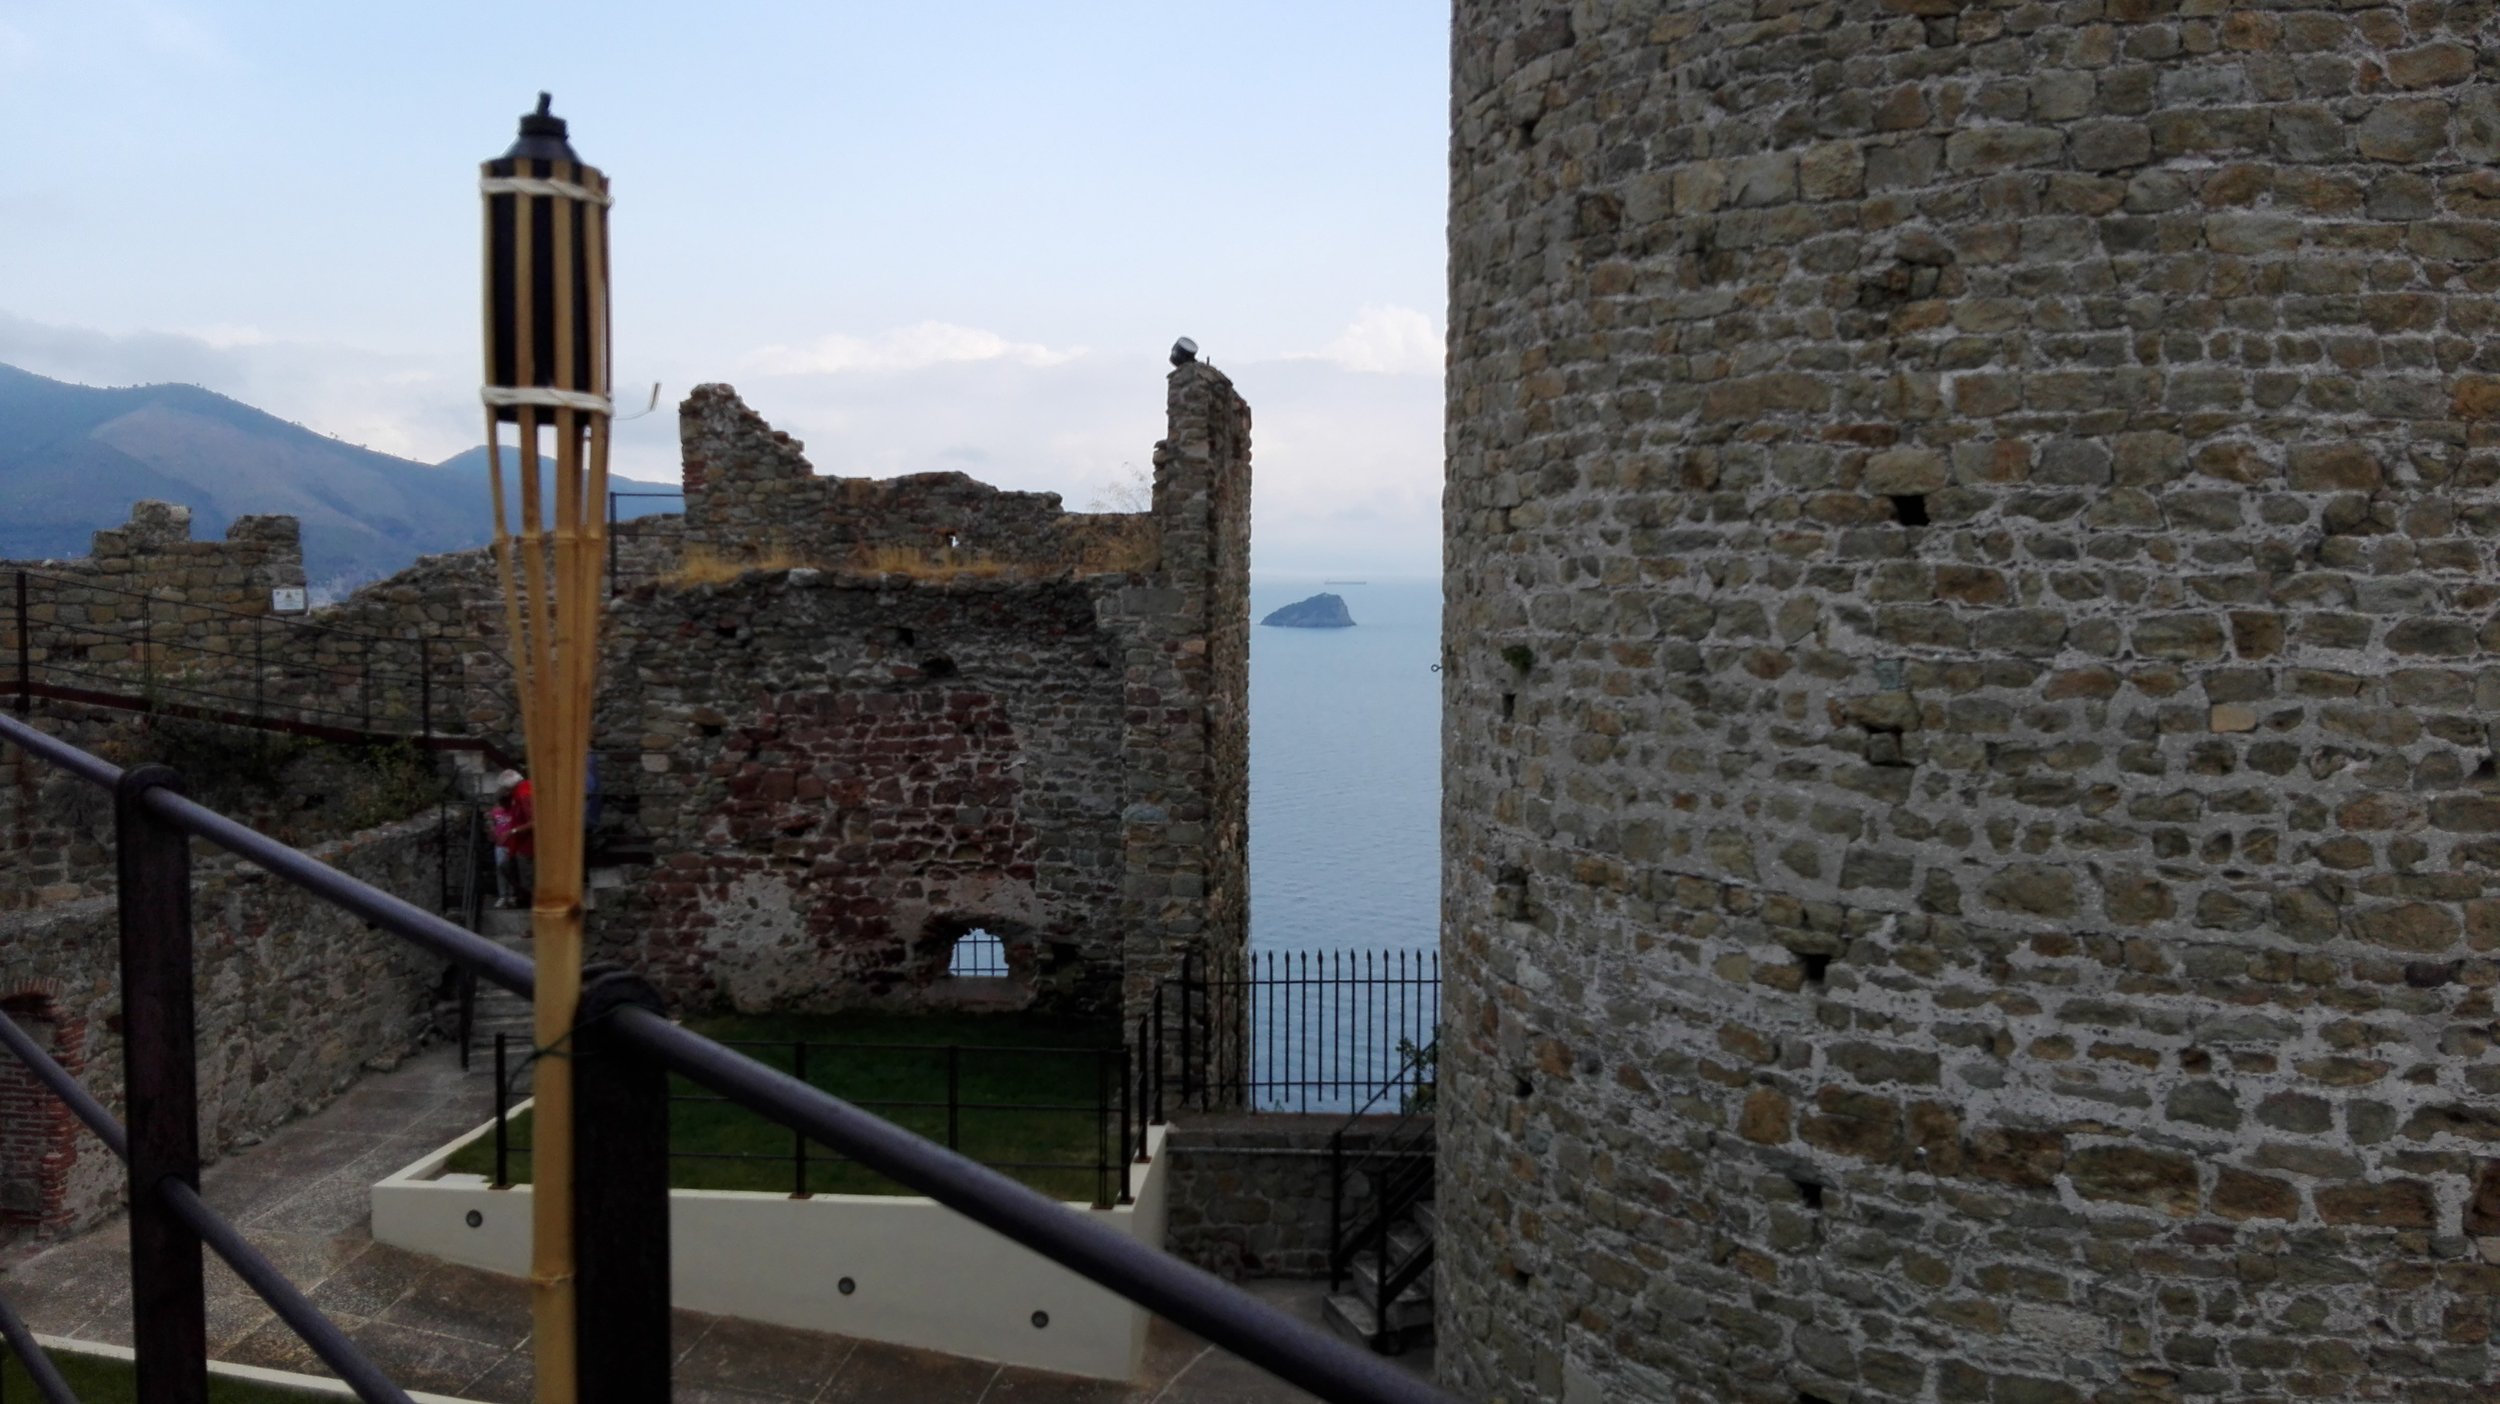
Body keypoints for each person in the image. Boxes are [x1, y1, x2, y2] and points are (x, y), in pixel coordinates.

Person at [494, 769, 536, 908]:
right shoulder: (523, 791)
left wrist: (511, 832)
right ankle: (522, 898)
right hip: (520, 844)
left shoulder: (524, 795)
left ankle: (529, 902)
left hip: (527, 846)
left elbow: (534, 822)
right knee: (506, 866)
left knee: (525, 878)